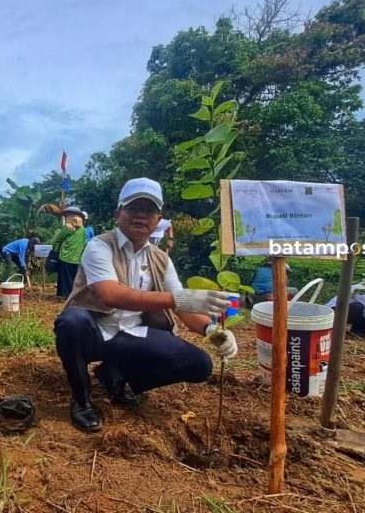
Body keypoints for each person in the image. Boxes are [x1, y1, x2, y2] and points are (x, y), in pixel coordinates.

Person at [53, 177, 234, 432]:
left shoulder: (160, 259)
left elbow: (183, 306)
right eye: (133, 208)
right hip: (94, 333)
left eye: (149, 210)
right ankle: (82, 400)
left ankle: (116, 376)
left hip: (133, 334)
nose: (141, 215)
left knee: (199, 365)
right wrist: (177, 299)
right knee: (71, 322)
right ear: (119, 213)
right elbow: (110, 294)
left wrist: (211, 330)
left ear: (158, 220)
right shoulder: (99, 246)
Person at [325, 269, 365, 337]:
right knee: (359, 308)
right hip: (333, 313)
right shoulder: (361, 290)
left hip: (342, 311)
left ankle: (358, 331)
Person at [51, 207, 88, 298]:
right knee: (73, 277)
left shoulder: (67, 227)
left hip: (65, 256)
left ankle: (63, 295)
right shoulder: (83, 228)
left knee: (64, 277)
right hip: (77, 257)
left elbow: (56, 240)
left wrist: (57, 234)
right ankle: (73, 294)